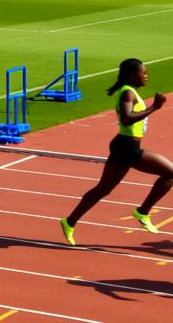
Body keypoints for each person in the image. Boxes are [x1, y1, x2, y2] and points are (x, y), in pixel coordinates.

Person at [60, 58, 172, 245]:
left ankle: (69, 221)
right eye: (143, 73)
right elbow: (127, 119)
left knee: (103, 189)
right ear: (131, 75)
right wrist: (154, 107)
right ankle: (143, 212)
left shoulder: (131, 91)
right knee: (170, 173)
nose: (146, 76)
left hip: (125, 146)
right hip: (127, 147)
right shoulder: (128, 93)